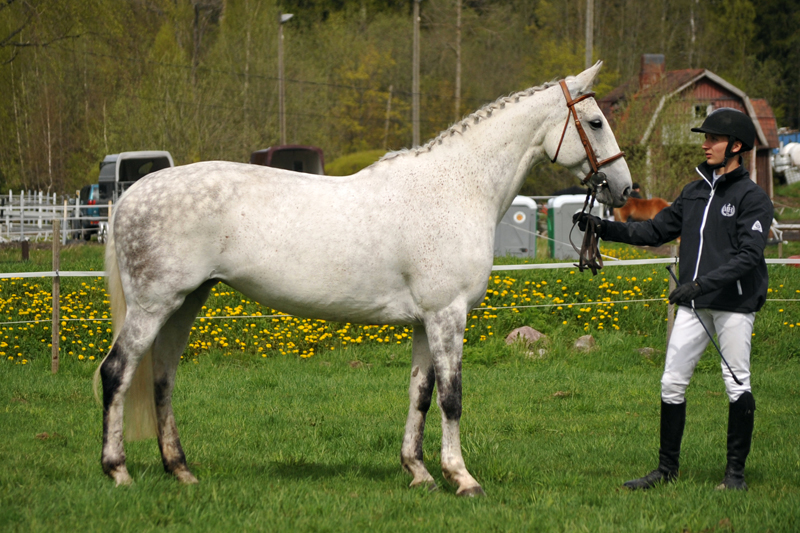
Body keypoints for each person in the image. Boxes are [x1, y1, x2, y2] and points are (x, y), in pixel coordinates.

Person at [574, 108, 773, 491]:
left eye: (713, 139)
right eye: (706, 138)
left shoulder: (753, 198)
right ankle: (666, 470)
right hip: (693, 305)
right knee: (671, 383)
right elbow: (653, 231)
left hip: (733, 304)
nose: (705, 145)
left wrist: (699, 285)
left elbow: (749, 257)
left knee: (737, 384)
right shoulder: (694, 191)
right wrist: (604, 229)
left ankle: (735, 475)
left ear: (736, 146)